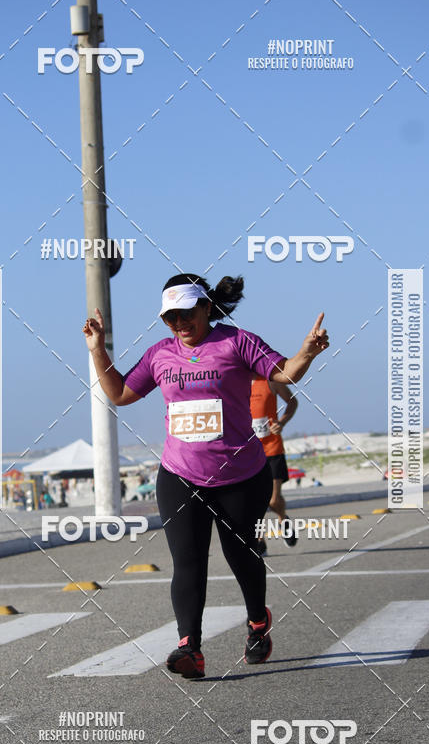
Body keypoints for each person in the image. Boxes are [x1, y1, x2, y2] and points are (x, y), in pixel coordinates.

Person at [83, 273, 329, 679]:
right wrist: (97, 351)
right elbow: (120, 394)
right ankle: (189, 648)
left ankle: (256, 623)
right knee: (188, 561)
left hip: (241, 474)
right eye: (170, 317)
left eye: (185, 313)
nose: (179, 323)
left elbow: (285, 375)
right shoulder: (160, 354)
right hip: (180, 474)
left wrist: (307, 352)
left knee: (241, 555)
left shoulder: (236, 342)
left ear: (206, 308)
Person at [249, 377, 298, 552]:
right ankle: (259, 541)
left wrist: (282, 422)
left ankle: (283, 519)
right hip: (249, 451)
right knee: (255, 501)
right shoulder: (236, 381)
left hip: (273, 448)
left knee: (273, 499)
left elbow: (292, 402)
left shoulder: (271, 380)